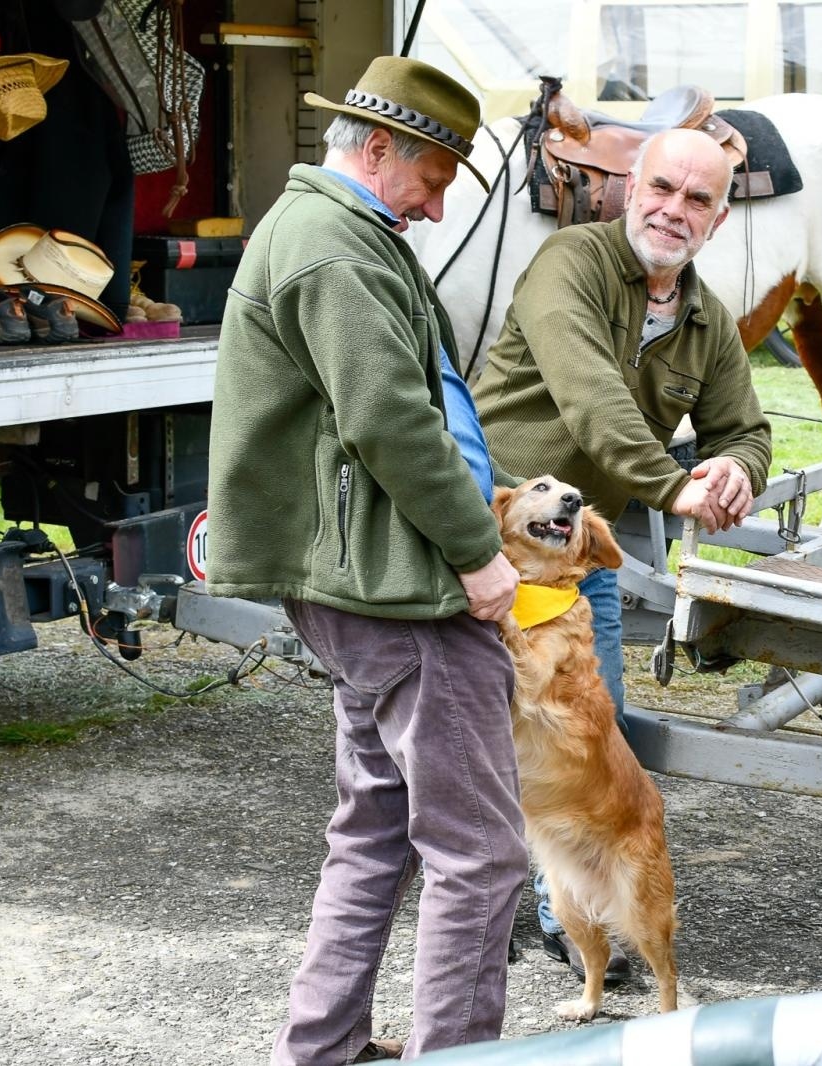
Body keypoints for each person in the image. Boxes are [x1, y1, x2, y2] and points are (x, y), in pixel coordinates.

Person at [205, 57, 530, 1063]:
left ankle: (322, 1047)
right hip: (402, 591)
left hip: (370, 584)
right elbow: (389, 419)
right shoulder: (333, 249)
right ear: (376, 146)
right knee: (480, 855)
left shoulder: (335, 232)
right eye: (432, 178)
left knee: (378, 828)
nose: (436, 207)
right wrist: (478, 554)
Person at [473, 127, 773, 986]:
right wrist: (674, 485)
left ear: (718, 219)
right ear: (628, 188)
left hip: (575, 560)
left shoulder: (706, 321)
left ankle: (569, 924)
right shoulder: (570, 261)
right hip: (484, 541)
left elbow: (746, 429)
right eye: (663, 188)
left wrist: (732, 467)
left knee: (579, 743)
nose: (674, 210)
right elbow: (590, 396)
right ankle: (475, 911)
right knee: (467, 738)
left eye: (698, 200)